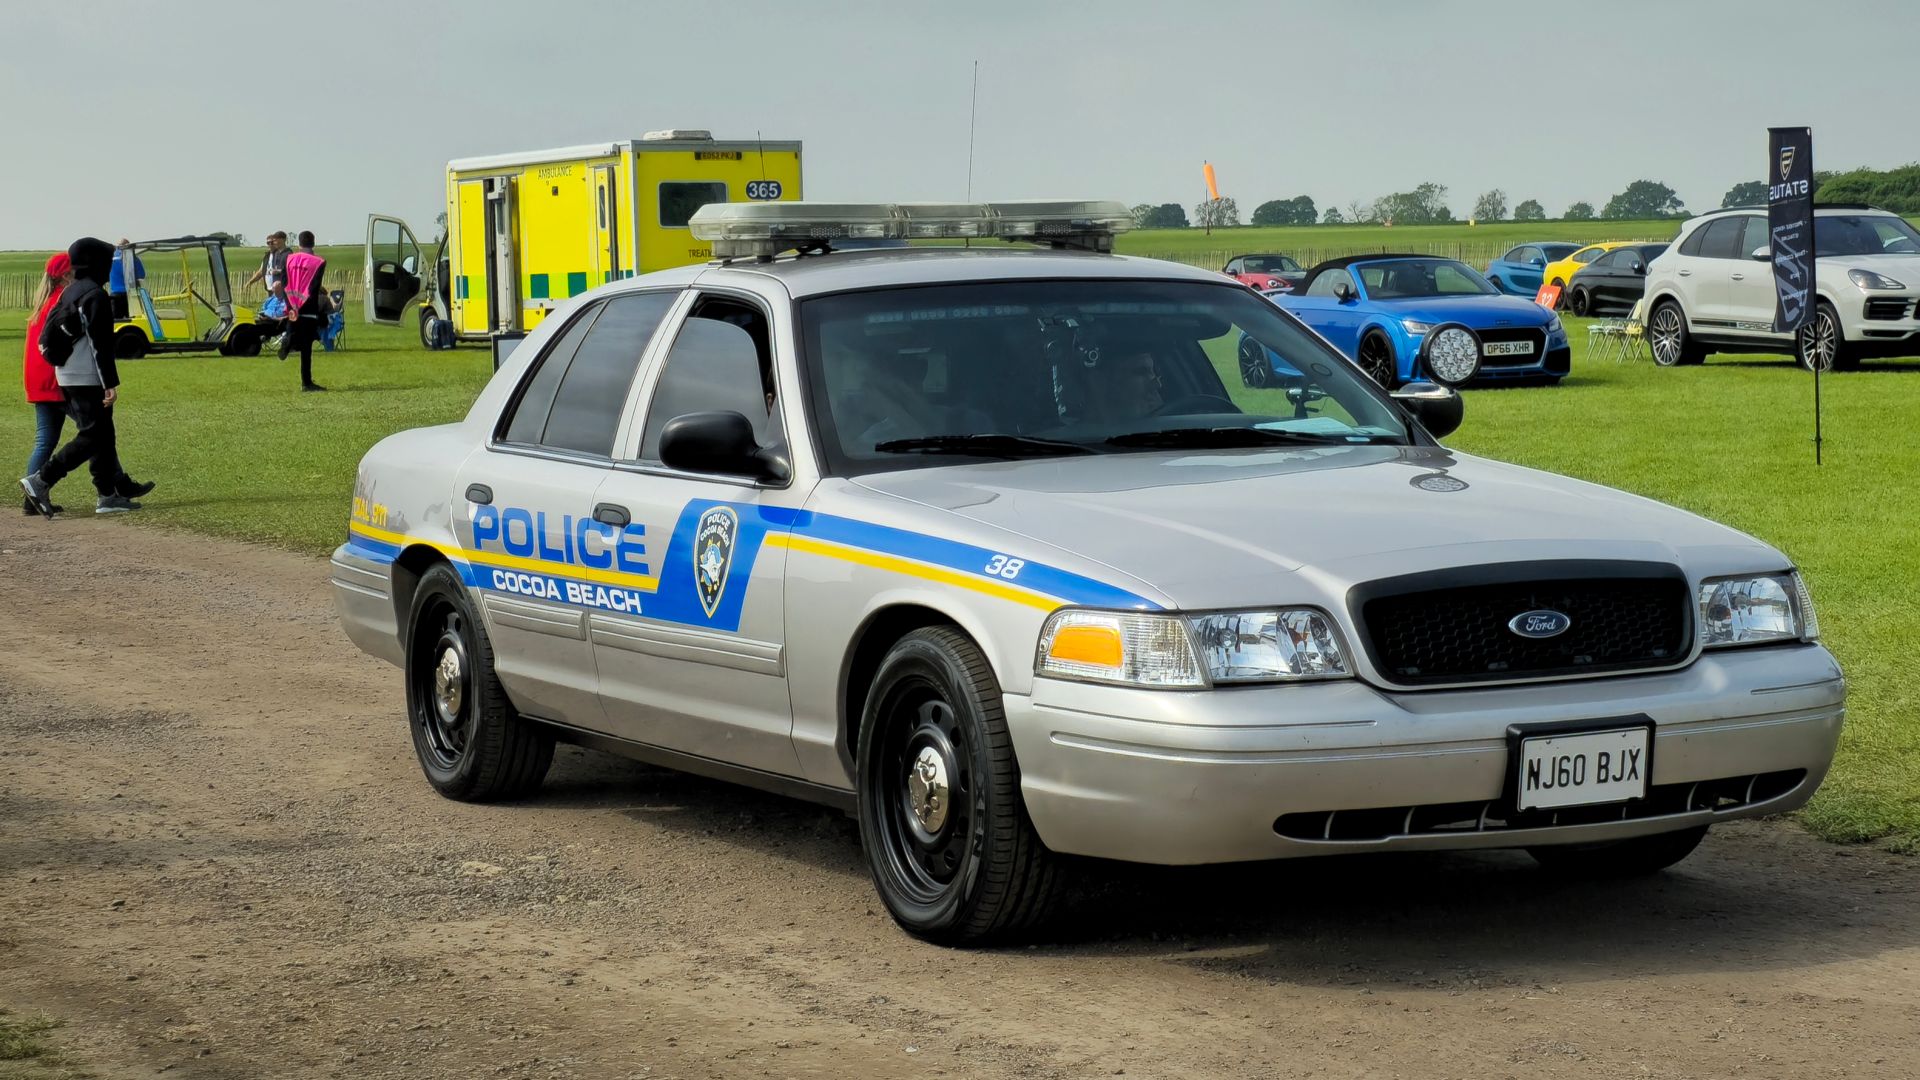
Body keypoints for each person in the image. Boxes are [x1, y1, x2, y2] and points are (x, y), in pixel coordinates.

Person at [20, 237, 156, 516]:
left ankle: (107, 495)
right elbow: (100, 344)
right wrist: (110, 384)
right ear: (97, 264)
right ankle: (41, 479)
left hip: (66, 374)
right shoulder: (94, 295)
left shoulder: (70, 292)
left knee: (104, 436)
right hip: (86, 376)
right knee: (92, 436)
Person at [21, 253, 72, 515]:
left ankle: (32, 499)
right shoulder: (61, 302)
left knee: (45, 441)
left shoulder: (42, 304)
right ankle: (113, 489)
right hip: (55, 380)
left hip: (38, 380)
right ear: (65, 275)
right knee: (95, 432)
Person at [280, 231, 328, 390]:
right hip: (308, 306)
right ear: (313, 243)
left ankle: (288, 339)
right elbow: (314, 287)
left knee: (294, 329)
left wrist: (290, 304)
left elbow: (285, 282)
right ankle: (306, 382)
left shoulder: (287, 259)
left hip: (291, 303)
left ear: (299, 243)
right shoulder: (319, 262)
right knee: (306, 347)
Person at [1086, 349, 1163, 421]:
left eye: (1155, 371)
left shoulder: (1168, 423)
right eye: (1141, 372)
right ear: (1108, 383)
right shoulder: (1081, 432)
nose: (1157, 384)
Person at [106, 237, 144, 320]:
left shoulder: (111, 259)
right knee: (132, 322)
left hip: (115, 295)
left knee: (116, 322)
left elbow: (106, 276)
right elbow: (142, 275)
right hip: (130, 295)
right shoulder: (134, 259)